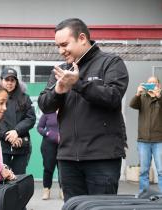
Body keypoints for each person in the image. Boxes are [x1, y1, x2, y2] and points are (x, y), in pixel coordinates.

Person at [38, 18, 129, 201]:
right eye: (58, 46)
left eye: (64, 44)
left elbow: (113, 97)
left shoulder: (111, 63)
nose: (60, 51)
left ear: (81, 38)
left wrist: (78, 84)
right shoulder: (61, 70)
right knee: (74, 206)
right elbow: (45, 104)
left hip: (102, 157)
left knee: (101, 207)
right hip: (68, 157)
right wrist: (58, 91)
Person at [0, 67, 36, 175]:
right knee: (2, 180)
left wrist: (16, 131)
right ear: (1, 81)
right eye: (7, 80)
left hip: (21, 145)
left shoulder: (25, 98)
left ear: (16, 82)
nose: (9, 83)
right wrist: (8, 136)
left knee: (18, 180)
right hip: (2, 146)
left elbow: (31, 118)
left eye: (12, 80)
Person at [129, 76, 162, 193]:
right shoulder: (143, 98)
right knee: (143, 170)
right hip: (143, 141)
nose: (152, 84)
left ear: (159, 85)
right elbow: (132, 105)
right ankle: (144, 193)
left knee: (161, 170)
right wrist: (138, 93)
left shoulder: (160, 98)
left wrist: (158, 97)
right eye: (149, 83)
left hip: (159, 141)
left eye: (154, 83)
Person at [37, 112, 59, 200]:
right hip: (48, 145)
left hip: (64, 145)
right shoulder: (48, 112)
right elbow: (39, 127)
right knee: (48, 168)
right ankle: (46, 189)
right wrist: (48, 133)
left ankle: (63, 191)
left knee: (63, 168)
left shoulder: (66, 110)